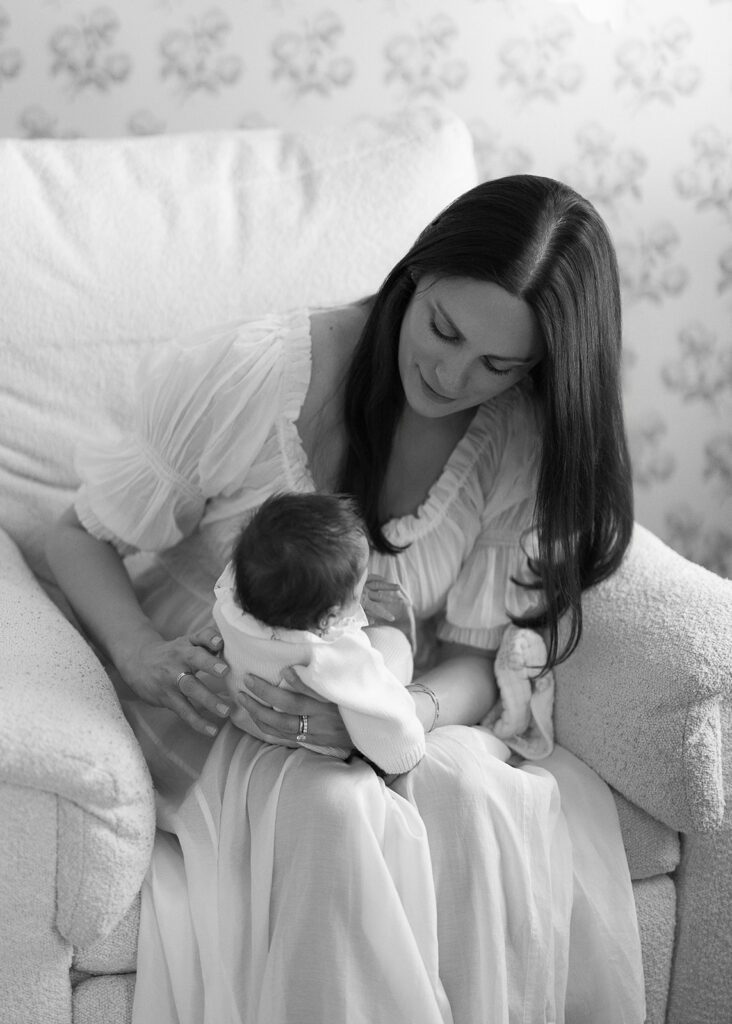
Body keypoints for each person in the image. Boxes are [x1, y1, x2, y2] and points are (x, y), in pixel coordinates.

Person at [46, 173, 646, 1023]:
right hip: (217, 707)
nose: (450, 372)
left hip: (384, 701)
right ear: (418, 274)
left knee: (472, 796)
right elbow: (75, 534)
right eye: (442, 329)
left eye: (497, 365)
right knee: (337, 811)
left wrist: (396, 710)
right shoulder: (268, 373)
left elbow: (478, 656)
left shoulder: (515, 437)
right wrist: (142, 653)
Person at [214, 490, 425, 773]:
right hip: (317, 742)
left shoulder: (229, 597)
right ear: (329, 617)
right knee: (394, 643)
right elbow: (400, 745)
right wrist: (406, 748)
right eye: (361, 582)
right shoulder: (336, 654)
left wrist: (344, 597)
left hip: (247, 717)